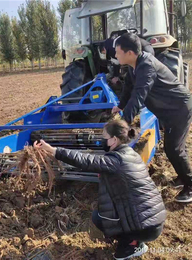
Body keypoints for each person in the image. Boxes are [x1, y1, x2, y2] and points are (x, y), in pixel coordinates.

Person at [34, 120, 166, 260]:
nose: (101, 140)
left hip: (145, 227)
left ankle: (133, 243)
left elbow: (85, 160)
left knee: (100, 220)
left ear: (114, 140)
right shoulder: (131, 155)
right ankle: (132, 238)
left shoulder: (116, 160)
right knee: (102, 213)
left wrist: (53, 150)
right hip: (153, 221)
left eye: (104, 137)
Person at [111, 33, 192, 203]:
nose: (115, 55)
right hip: (168, 109)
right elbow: (128, 89)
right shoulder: (134, 66)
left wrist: (123, 124)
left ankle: (190, 186)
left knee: (174, 149)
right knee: (173, 147)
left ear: (130, 53)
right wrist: (120, 105)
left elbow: (138, 95)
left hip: (179, 108)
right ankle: (182, 177)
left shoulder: (146, 67)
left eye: (118, 52)